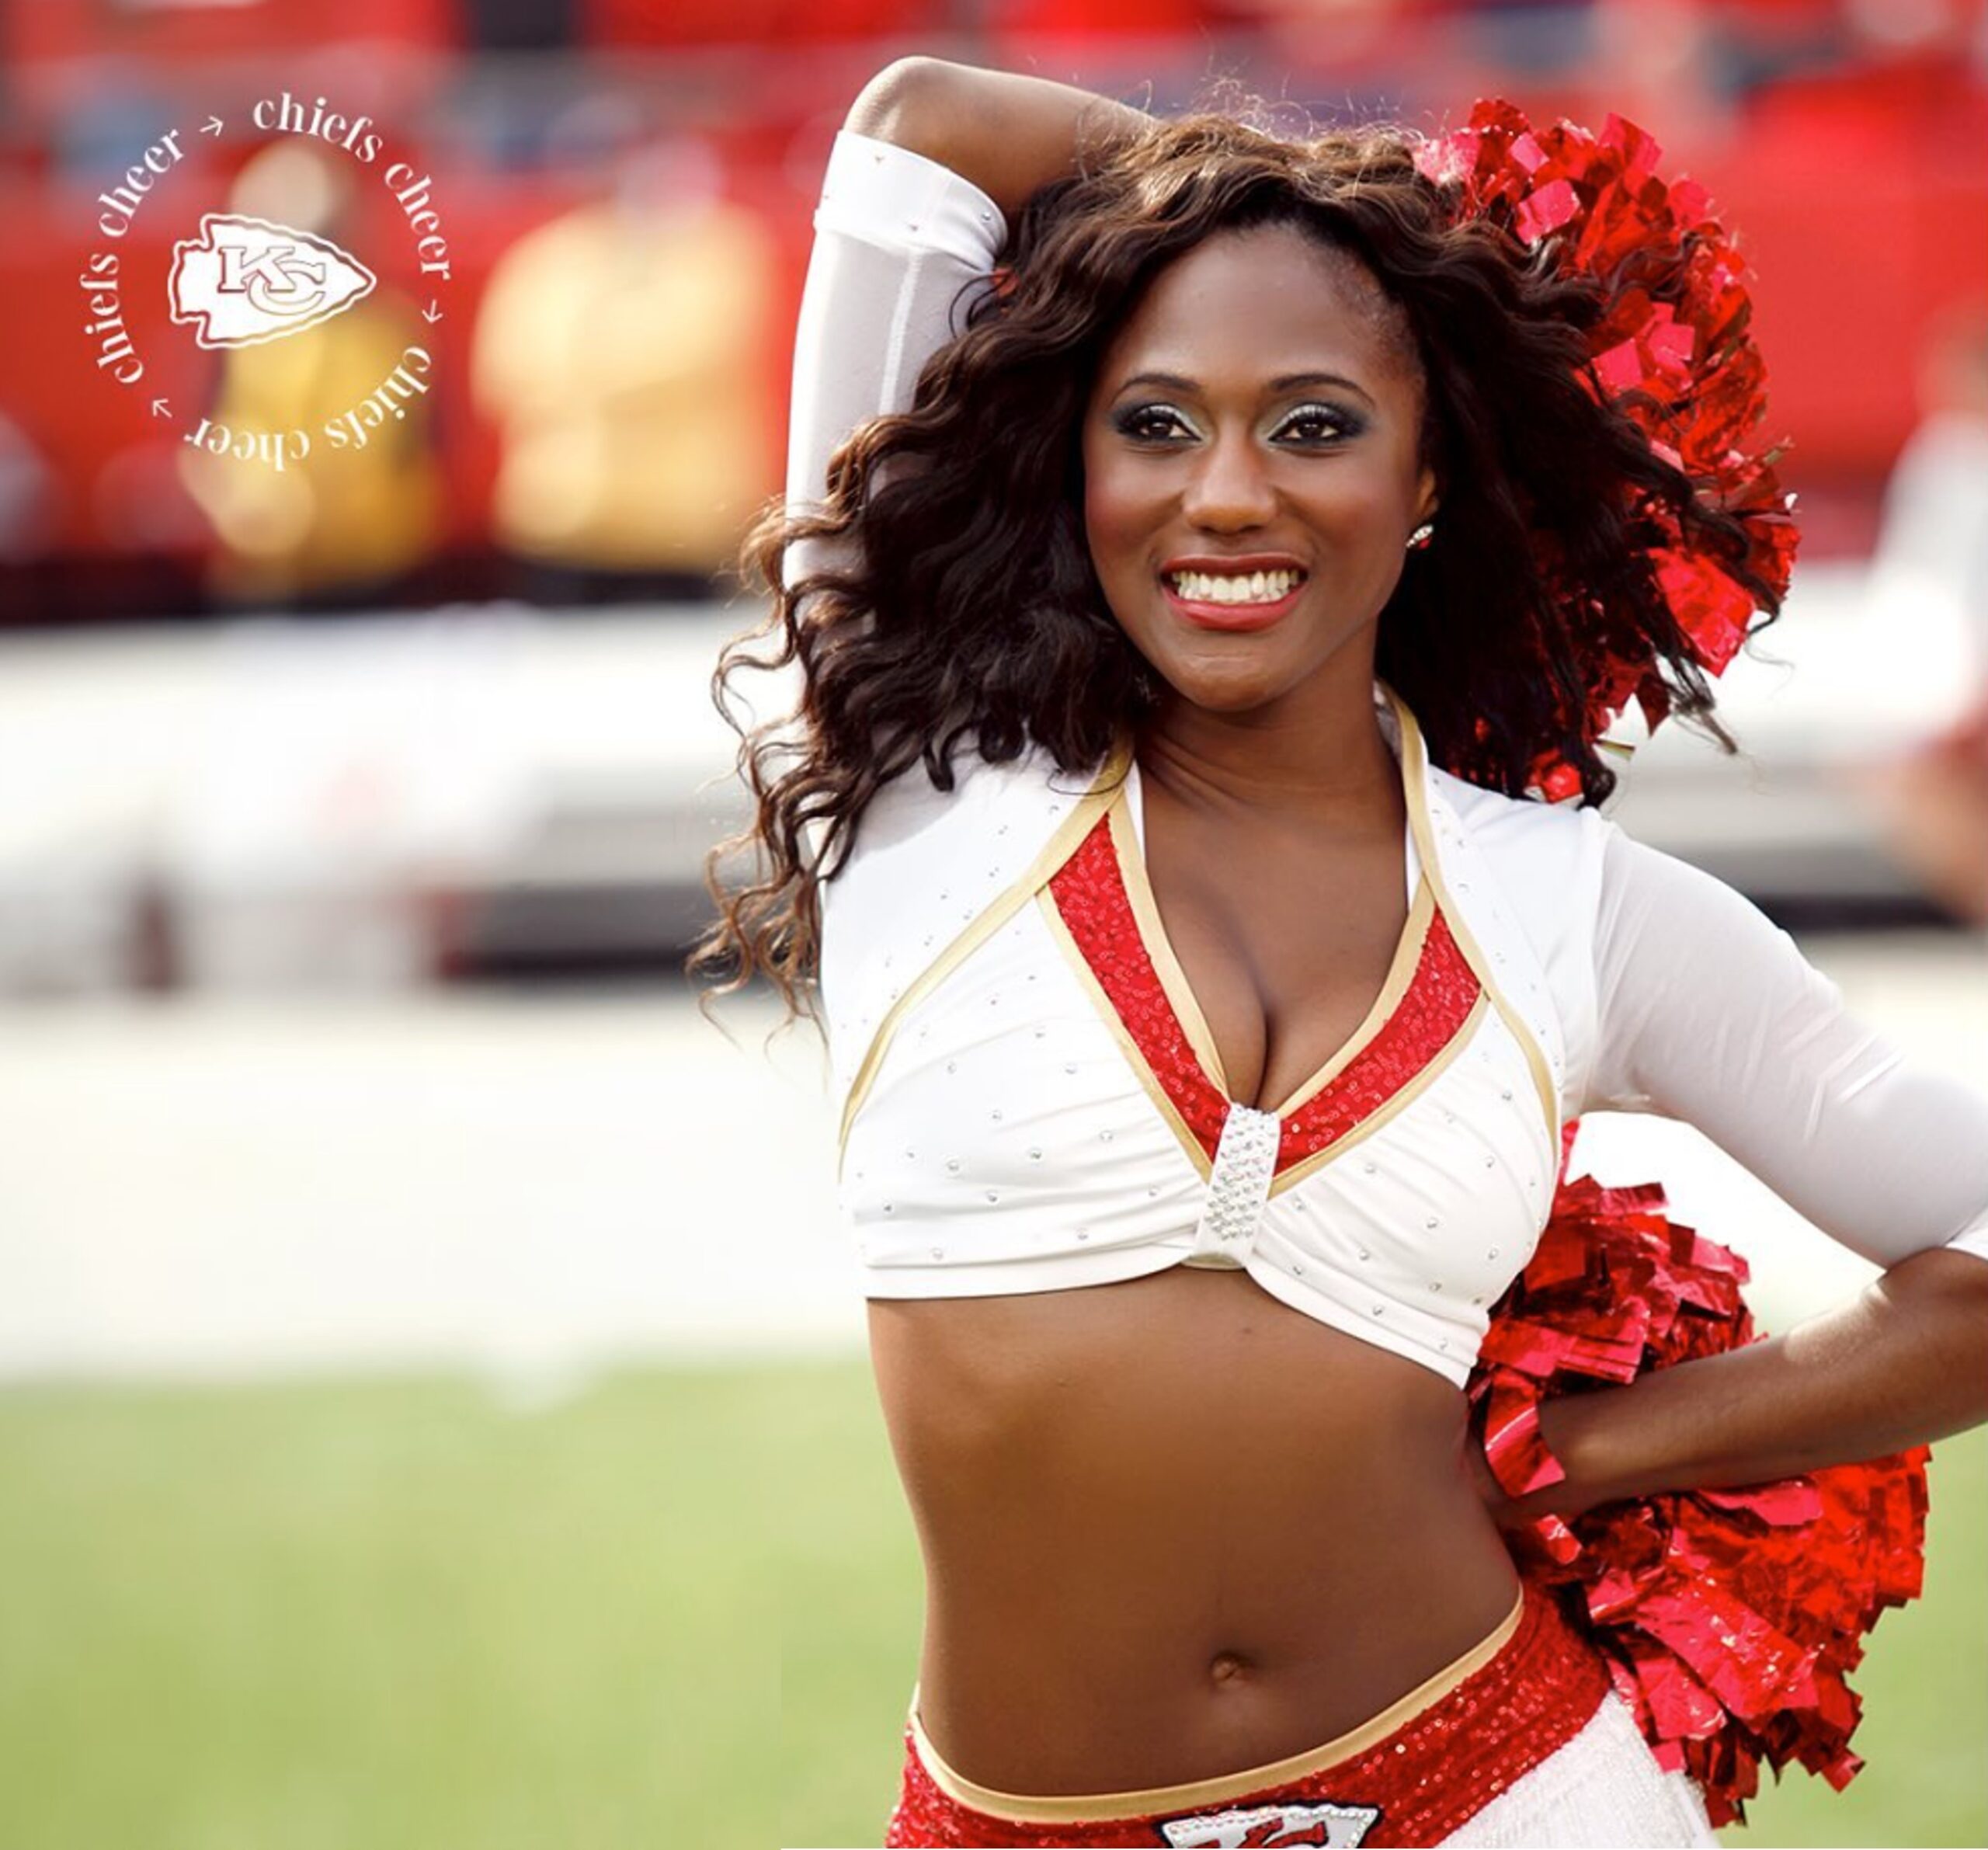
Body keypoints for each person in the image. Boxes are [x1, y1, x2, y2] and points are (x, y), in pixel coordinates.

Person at [693, 55, 1988, 1848]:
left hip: (1506, 1795)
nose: (1225, 495)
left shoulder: (1568, 905)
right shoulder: (917, 777)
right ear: (1073, 463)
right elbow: (921, 124)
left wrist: (1591, 1450)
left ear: (1426, 472)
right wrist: (1291, 210)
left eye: (1313, 425)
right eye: (1155, 425)